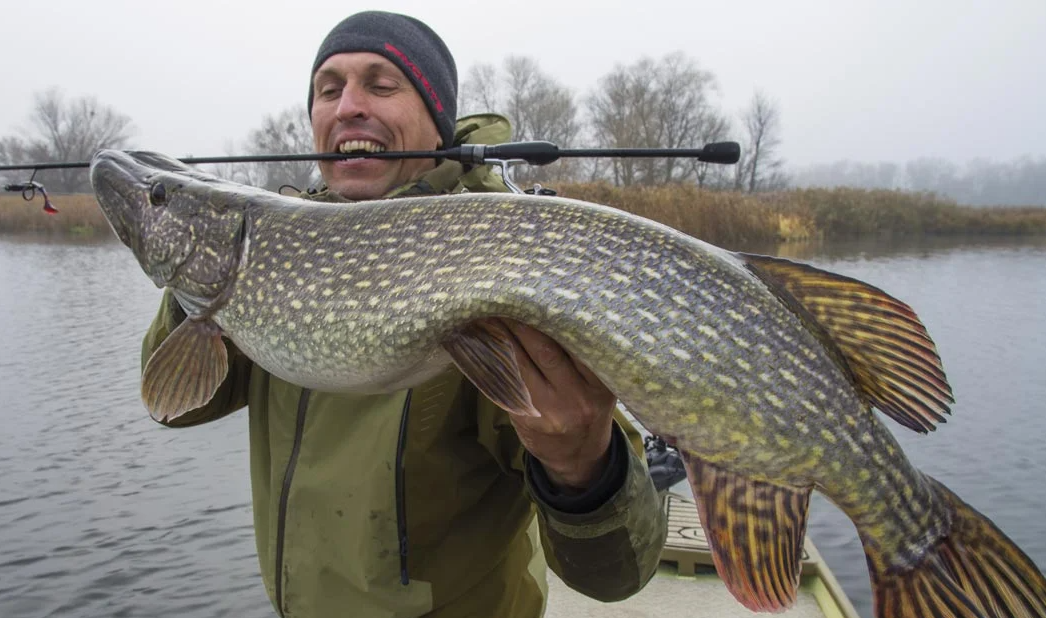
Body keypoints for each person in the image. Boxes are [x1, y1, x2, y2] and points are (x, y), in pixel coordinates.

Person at [142, 10, 666, 618]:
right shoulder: (281, 248)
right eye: (328, 89)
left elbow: (619, 573)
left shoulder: (497, 255)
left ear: (434, 119)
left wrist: (585, 469)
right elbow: (179, 403)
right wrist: (197, 266)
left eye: (382, 84)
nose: (348, 107)